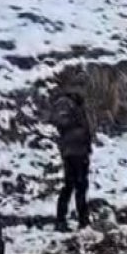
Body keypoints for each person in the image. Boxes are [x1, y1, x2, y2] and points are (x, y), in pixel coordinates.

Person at [50, 85, 93, 231]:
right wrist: (80, 133)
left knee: (74, 186)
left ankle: (70, 220)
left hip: (74, 151)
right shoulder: (67, 104)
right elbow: (62, 123)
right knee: (76, 186)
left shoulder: (73, 106)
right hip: (76, 151)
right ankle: (77, 221)